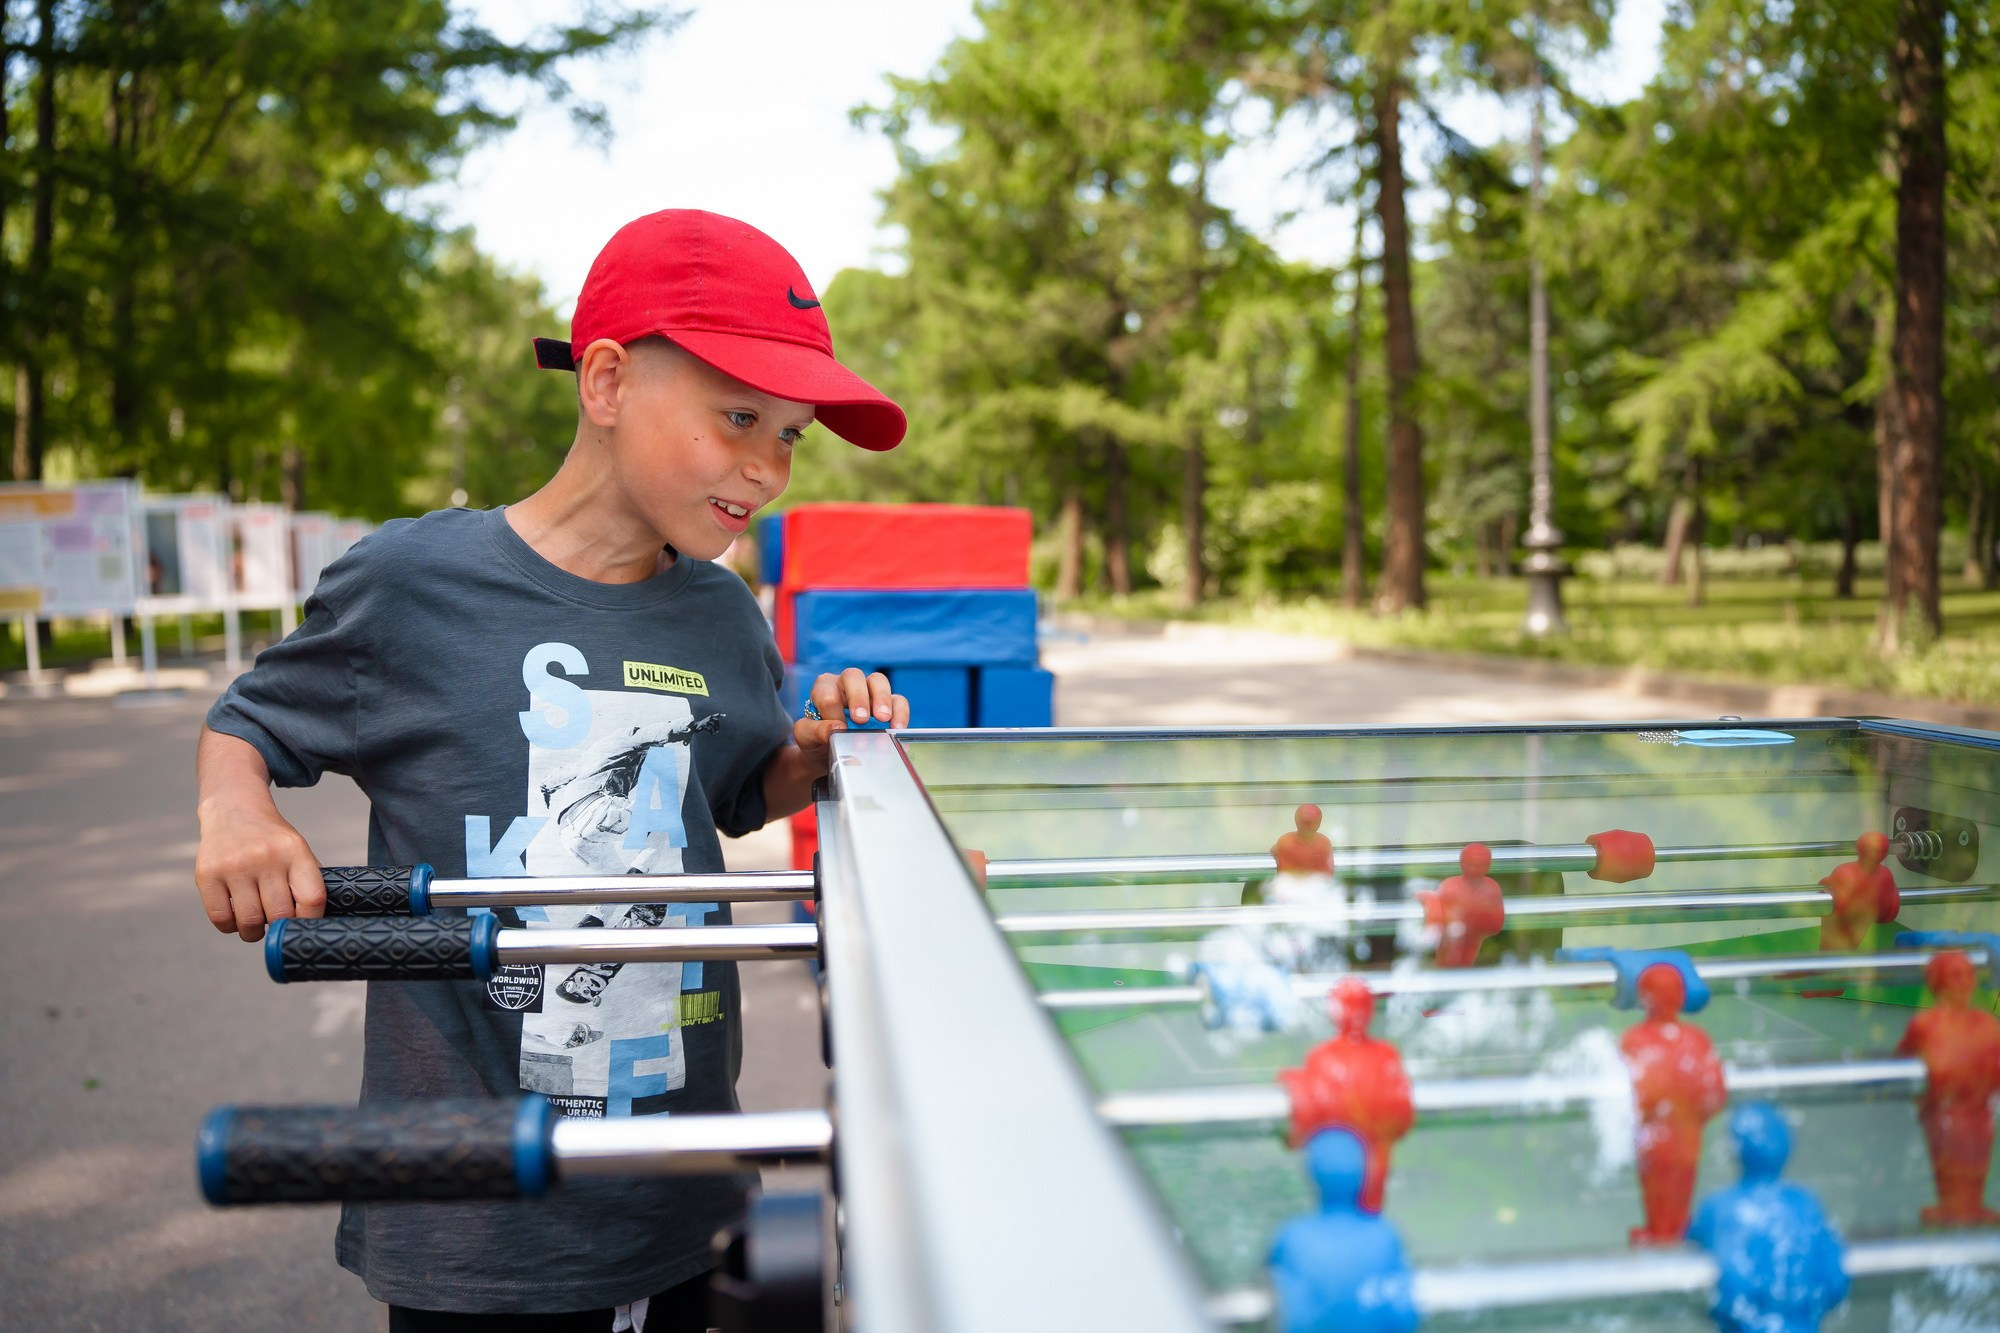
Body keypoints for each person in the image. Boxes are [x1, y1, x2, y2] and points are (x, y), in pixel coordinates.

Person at [192, 209, 911, 1332]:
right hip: (477, 1212)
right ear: (608, 382)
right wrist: (237, 812)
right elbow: (248, 724)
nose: (767, 469)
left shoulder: (721, 612)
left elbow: (737, 789)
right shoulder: (413, 582)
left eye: (791, 436)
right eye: (739, 417)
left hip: (682, 1181)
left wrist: (809, 754)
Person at [1689, 1103, 1848, 1333]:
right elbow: (1834, 1282)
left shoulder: (1720, 1208)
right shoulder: (1806, 1204)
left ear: (1737, 1149)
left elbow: (1729, 1285)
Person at [1280, 978, 1414, 1214]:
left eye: (1361, 1006)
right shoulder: (1323, 1056)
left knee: (1366, 1206)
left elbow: (1400, 1113)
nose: (1356, 1015)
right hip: (1337, 1153)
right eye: (1349, 1006)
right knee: (1341, 1206)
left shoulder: (1384, 1055)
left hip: (1371, 1153)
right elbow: (1310, 1106)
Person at [1267, 1128, 1420, 1333]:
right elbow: (1402, 1315)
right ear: (1364, 1173)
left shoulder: (1292, 1236)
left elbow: (1284, 1296)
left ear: (1311, 1175)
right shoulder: (1385, 1235)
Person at [1621, 962, 1726, 1245]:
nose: (1670, 997)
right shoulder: (1639, 1040)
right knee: (1664, 1189)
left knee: (1676, 1187)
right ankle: (1664, 1233)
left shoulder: (1692, 1039)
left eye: (1674, 990)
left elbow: (1714, 1090)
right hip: (1663, 1132)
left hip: (1678, 1132)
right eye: (1664, 991)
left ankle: (1667, 1234)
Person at [1895, 949, 2000, 1225]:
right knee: (1952, 1171)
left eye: (1969, 974)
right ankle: (1953, 1213)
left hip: (1981, 1114)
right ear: (1939, 982)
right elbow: (1902, 1062)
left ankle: (1970, 1210)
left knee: (1976, 1167)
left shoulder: (1988, 1025)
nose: (1965, 982)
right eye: (1956, 975)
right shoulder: (1926, 1025)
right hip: (1944, 1114)